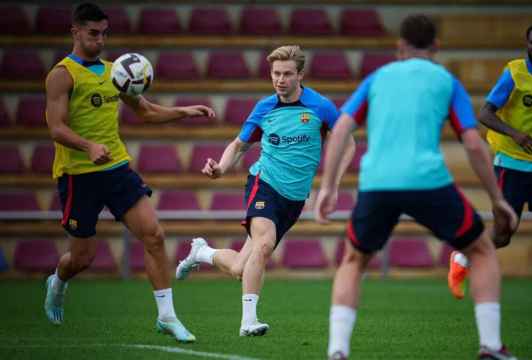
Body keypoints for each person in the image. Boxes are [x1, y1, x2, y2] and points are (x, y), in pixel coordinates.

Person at [315, 14, 519, 360]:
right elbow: (472, 143)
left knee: (353, 259)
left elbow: (341, 129)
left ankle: (337, 351)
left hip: (378, 184)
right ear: (436, 46)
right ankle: (491, 346)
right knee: (481, 251)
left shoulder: (377, 79)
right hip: (429, 183)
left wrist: (328, 187)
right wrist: (497, 198)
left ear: (400, 47)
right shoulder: (447, 81)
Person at [43, 2, 214, 342]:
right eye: (93, 34)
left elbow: (146, 112)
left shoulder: (116, 71)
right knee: (82, 258)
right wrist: (88, 146)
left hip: (117, 170)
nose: (100, 41)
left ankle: (167, 316)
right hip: (78, 175)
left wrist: (185, 111)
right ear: (75, 32)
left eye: (104, 34)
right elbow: (55, 128)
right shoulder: (61, 75)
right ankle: (58, 281)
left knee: (155, 236)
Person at [175, 45, 356, 337]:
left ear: (300, 75)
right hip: (264, 183)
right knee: (264, 243)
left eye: (286, 74)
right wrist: (220, 168)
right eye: (275, 73)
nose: (280, 80)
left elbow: (348, 144)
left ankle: (202, 252)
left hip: (295, 198)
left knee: (238, 268)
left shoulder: (320, 107)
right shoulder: (264, 108)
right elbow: (238, 145)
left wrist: (332, 186)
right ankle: (248, 321)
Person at [447, 22, 532, 320]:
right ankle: (460, 258)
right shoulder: (514, 72)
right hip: (510, 163)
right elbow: (485, 113)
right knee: (503, 233)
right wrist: (516, 134)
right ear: (527, 44)